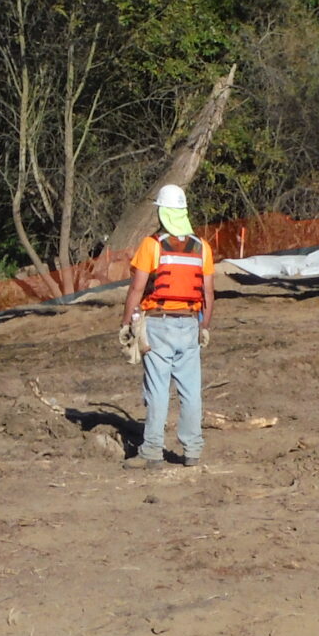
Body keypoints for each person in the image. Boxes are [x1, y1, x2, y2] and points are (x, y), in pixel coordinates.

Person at [122, 183, 212, 465]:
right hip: (189, 325)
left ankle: (152, 452)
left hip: (159, 325)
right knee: (190, 390)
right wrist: (204, 327)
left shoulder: (152, 245)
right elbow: (209, 293)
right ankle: (193, 450)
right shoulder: (202, 248)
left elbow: (136, 289)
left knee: (157, 390)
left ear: (162, 213)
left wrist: (127, 323)